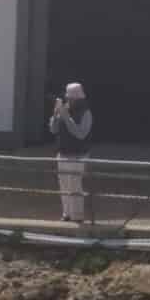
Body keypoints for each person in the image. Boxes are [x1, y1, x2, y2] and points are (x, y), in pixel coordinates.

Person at [49, 82, 94, 226]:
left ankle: (78, 216)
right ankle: (66, 213)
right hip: (63, 153)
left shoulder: (86, 112)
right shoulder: (64, 109)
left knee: (75, 185)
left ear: (80, 99)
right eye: (68, 97)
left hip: (78, 155)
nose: (70, 100)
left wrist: (67, 117)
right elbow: (53, 130)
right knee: (64, 185)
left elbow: (80, 134)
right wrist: (56, 115)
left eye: (73, 98)